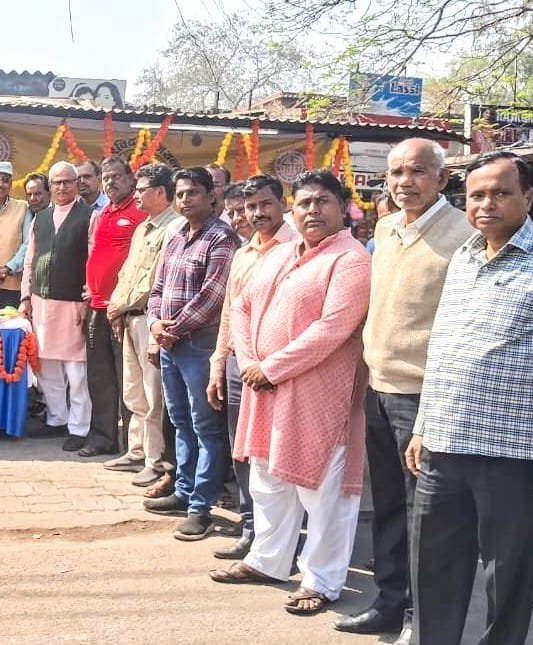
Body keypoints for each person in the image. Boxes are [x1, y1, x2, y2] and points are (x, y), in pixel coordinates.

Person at [405, 151, 533, 645]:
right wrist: (423, 427)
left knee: (507, 582)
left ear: (528, 197)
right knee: (434, 571)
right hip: (445, 449)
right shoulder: (463, 257)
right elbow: (442, 348)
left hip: (517, 457)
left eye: (501, 193)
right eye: (477, 195)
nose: (486, 204)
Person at [208, 171, 371, 618]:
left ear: (342, 208)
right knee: (268, 480)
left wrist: (271, 367)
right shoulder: (280, 254)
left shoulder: (350, 260)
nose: (312, 210)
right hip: (266, 387)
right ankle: (268, 560)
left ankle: (322, 580)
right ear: (292, 211)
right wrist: (246, 362)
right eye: (304, 203)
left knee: (323, 491)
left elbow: (333, 329)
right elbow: (241, 304)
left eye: (322, 202)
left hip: (319, 394)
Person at [337, 138, 472, 642]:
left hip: (424, 396)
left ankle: (422, 618)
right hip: (379, 387)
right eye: (395, 172)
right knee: (390, 505)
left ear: (441, 178)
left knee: (427, 516)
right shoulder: (387, 229)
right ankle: (389, 604)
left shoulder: (464, 235)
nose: (403, 182)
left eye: (416, 172)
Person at [143, 167, 240, 541]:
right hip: (170, 343)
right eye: (181, 194)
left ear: (210, 197)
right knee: (181, 422)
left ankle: (202, 506)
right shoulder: (177, 237)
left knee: (206, 428)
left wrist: (171, 330)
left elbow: (212, 298)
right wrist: (155, 326)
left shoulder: (222, 239)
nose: (185, 200)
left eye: (193, 193)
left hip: (199, 344)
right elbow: (158, 288)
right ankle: (183, 491)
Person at [205, 175, 297, 561]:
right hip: (237, 366)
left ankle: (286, 540)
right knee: (243, 451)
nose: (257, 213)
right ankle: (251, 528)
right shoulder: (244, 253)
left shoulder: (297, 249)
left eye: (265, 205)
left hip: (277, 370)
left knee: (278, 454)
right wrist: (217, 362)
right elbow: (229, 311)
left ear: (282, 203)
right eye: (248, 208)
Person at [103, 163, 183, 486]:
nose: (135, 195)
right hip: (129, 317)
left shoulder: (173, 229)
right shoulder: (143, 228)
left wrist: (120, 305)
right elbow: (128, 273)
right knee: (133, 391)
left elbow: (155, 281)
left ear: (162, 192)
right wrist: (116, 307)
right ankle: (135, 450)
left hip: (150, 320)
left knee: (153, 396)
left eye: (142, 189)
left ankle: (155, 459)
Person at [19, 162, 94, 450]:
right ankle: (57, 419)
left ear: (77, 184)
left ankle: (79, 427)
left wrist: (90, 299)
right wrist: (26, 296)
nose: (62, 187)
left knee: (76, 374)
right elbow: (30, 260)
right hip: (41, 303)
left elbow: (93, 261)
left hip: (74, 303)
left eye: (67, 182)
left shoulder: (90, 216)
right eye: (57, 182)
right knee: (46, 368)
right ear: (50, 186)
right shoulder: (40, 218)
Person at [81, 157, 143, 457]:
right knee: (99, 376)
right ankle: (103, 438)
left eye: (117, 176)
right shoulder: (104, 212)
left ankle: (133, 445)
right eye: (106, 177)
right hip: (96, 305)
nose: (110, 182)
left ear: (131, 179)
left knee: (126, 379)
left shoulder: (139, 212)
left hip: (123, 310)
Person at [0, 161, 31, 309]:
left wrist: (8, 268)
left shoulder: (23, 207)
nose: (0, 184)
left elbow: (28, 243)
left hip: (13, 285)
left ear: (11, 184)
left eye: (5, 180)